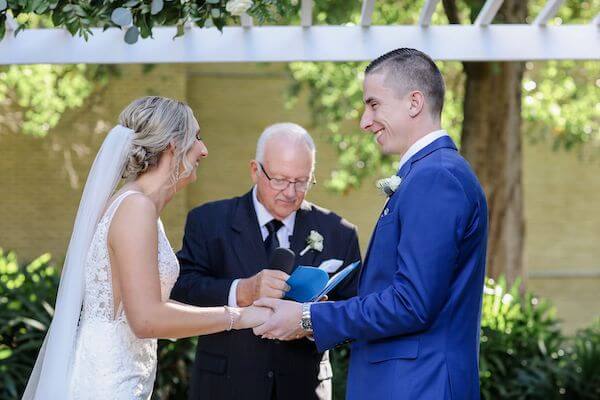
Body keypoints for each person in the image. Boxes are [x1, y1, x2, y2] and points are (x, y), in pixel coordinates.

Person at [254, 48, 489, 400]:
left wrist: (308, 318)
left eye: (374, 104)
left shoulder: (436, 177)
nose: (365, 121)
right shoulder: (427, 174)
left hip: (418, 386)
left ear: (414, 102)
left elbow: (412, 303)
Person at [23, 96, 270, 400]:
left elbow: (148, 310)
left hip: (122, 377)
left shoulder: (140, 208)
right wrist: (237, 317)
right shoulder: (135, 208)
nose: (204, 150)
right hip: (107, 384)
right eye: (197, 137)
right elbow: (147, 319)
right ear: (172, 146)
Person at [171, 122, 361, 400]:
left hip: (305, 389)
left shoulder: (340, 232)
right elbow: (182, 289)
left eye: (301, 181)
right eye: (280, 179)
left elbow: (356, 312)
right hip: (224, 387)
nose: (291, 192)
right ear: (254, 170)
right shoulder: (208, 221)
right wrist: (243, 290)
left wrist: (316, 320)